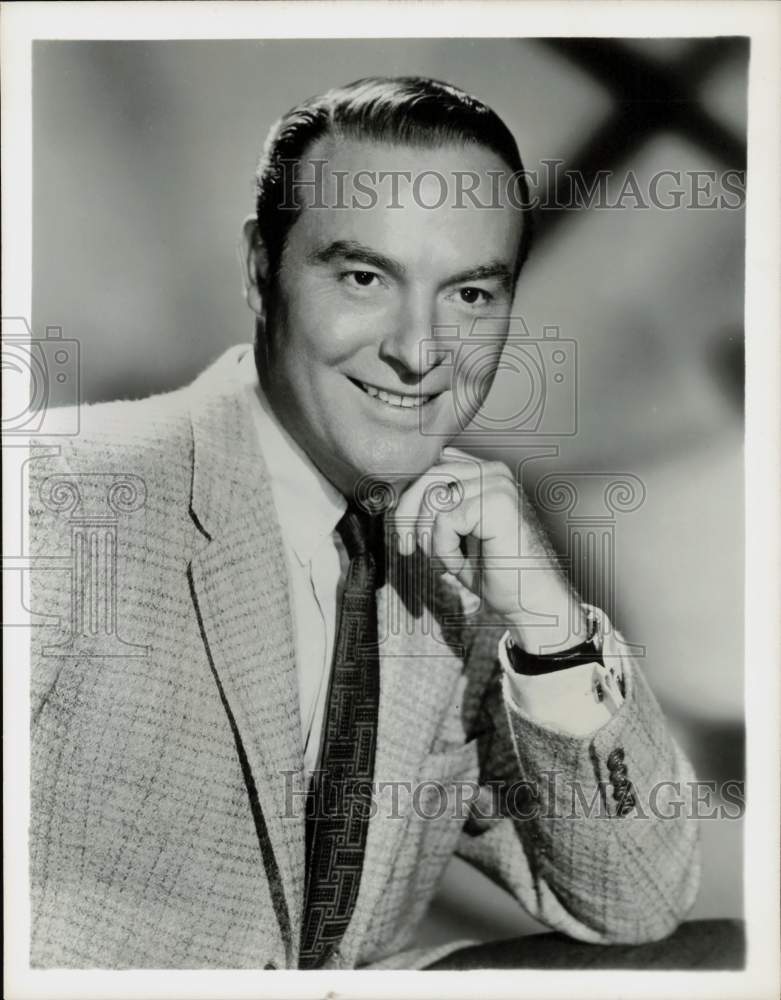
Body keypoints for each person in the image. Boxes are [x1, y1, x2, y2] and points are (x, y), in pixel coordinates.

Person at [29, 76, 705, 971]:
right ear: (259, 272)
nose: (418, 352)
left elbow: (638, 902)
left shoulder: (467, 576)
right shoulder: (61, 501)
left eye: (469, 295)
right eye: (363, 277)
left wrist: (549, 629)